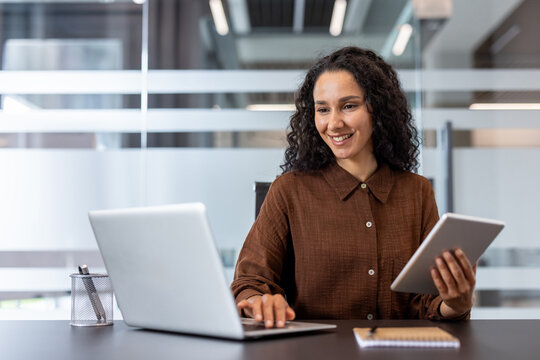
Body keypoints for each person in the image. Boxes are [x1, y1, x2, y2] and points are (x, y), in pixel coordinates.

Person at [231, 47, 476, 328]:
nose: (333, 123)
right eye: (322, 109)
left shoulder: (416, 192)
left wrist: (454, 303)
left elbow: (426, 303)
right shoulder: (289, 191)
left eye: (349, 106)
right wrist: (257, 302)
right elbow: (249, 283)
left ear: (378, 109)